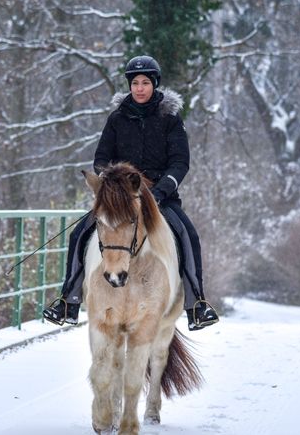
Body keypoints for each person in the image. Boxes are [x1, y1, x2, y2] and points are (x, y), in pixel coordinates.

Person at [42, 55, 219, 331]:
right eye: (135, 83)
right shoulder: (116, 119)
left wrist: (160, 191)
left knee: (188, 235)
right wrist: (112, 185)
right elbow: (101, 159)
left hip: (161, 197)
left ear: (154, 84)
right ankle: (69, 301)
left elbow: (180, 162)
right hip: (121, 199)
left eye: (145, 83)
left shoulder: (171, 118)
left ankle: (197, 304)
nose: (139, 88)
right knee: (78, 234)